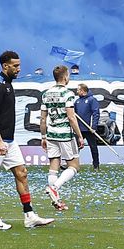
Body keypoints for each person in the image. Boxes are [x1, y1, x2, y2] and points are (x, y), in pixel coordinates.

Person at [0, 51, 54, 228]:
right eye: (15, 66)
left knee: (22, 173)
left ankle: (29, 215)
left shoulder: (7, 84)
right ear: (5, 66)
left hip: (9, 140)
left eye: (19, 65)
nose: (18, 69)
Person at [40, 65, 84, 212]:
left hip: (51, 134)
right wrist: (79, 135)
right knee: (74, 166)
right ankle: (54, 188)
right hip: (65, 134)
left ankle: (57, 200)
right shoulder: (68, 93)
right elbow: (71, 117)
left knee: (54, 165)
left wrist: (43, 136)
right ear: (65, 77)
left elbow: (42, 118)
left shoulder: (46, 94)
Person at [74, 83, 101, 168]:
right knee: (75, 148)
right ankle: (72, 164)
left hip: (89, 129)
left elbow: (96, 113)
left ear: (82, 91)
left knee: (93, 147)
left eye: (78, 90)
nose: (77, 91)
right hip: (79, 129)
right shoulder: (77, 101)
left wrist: (94, 127)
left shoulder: (92, 100)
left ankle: (96, 165)